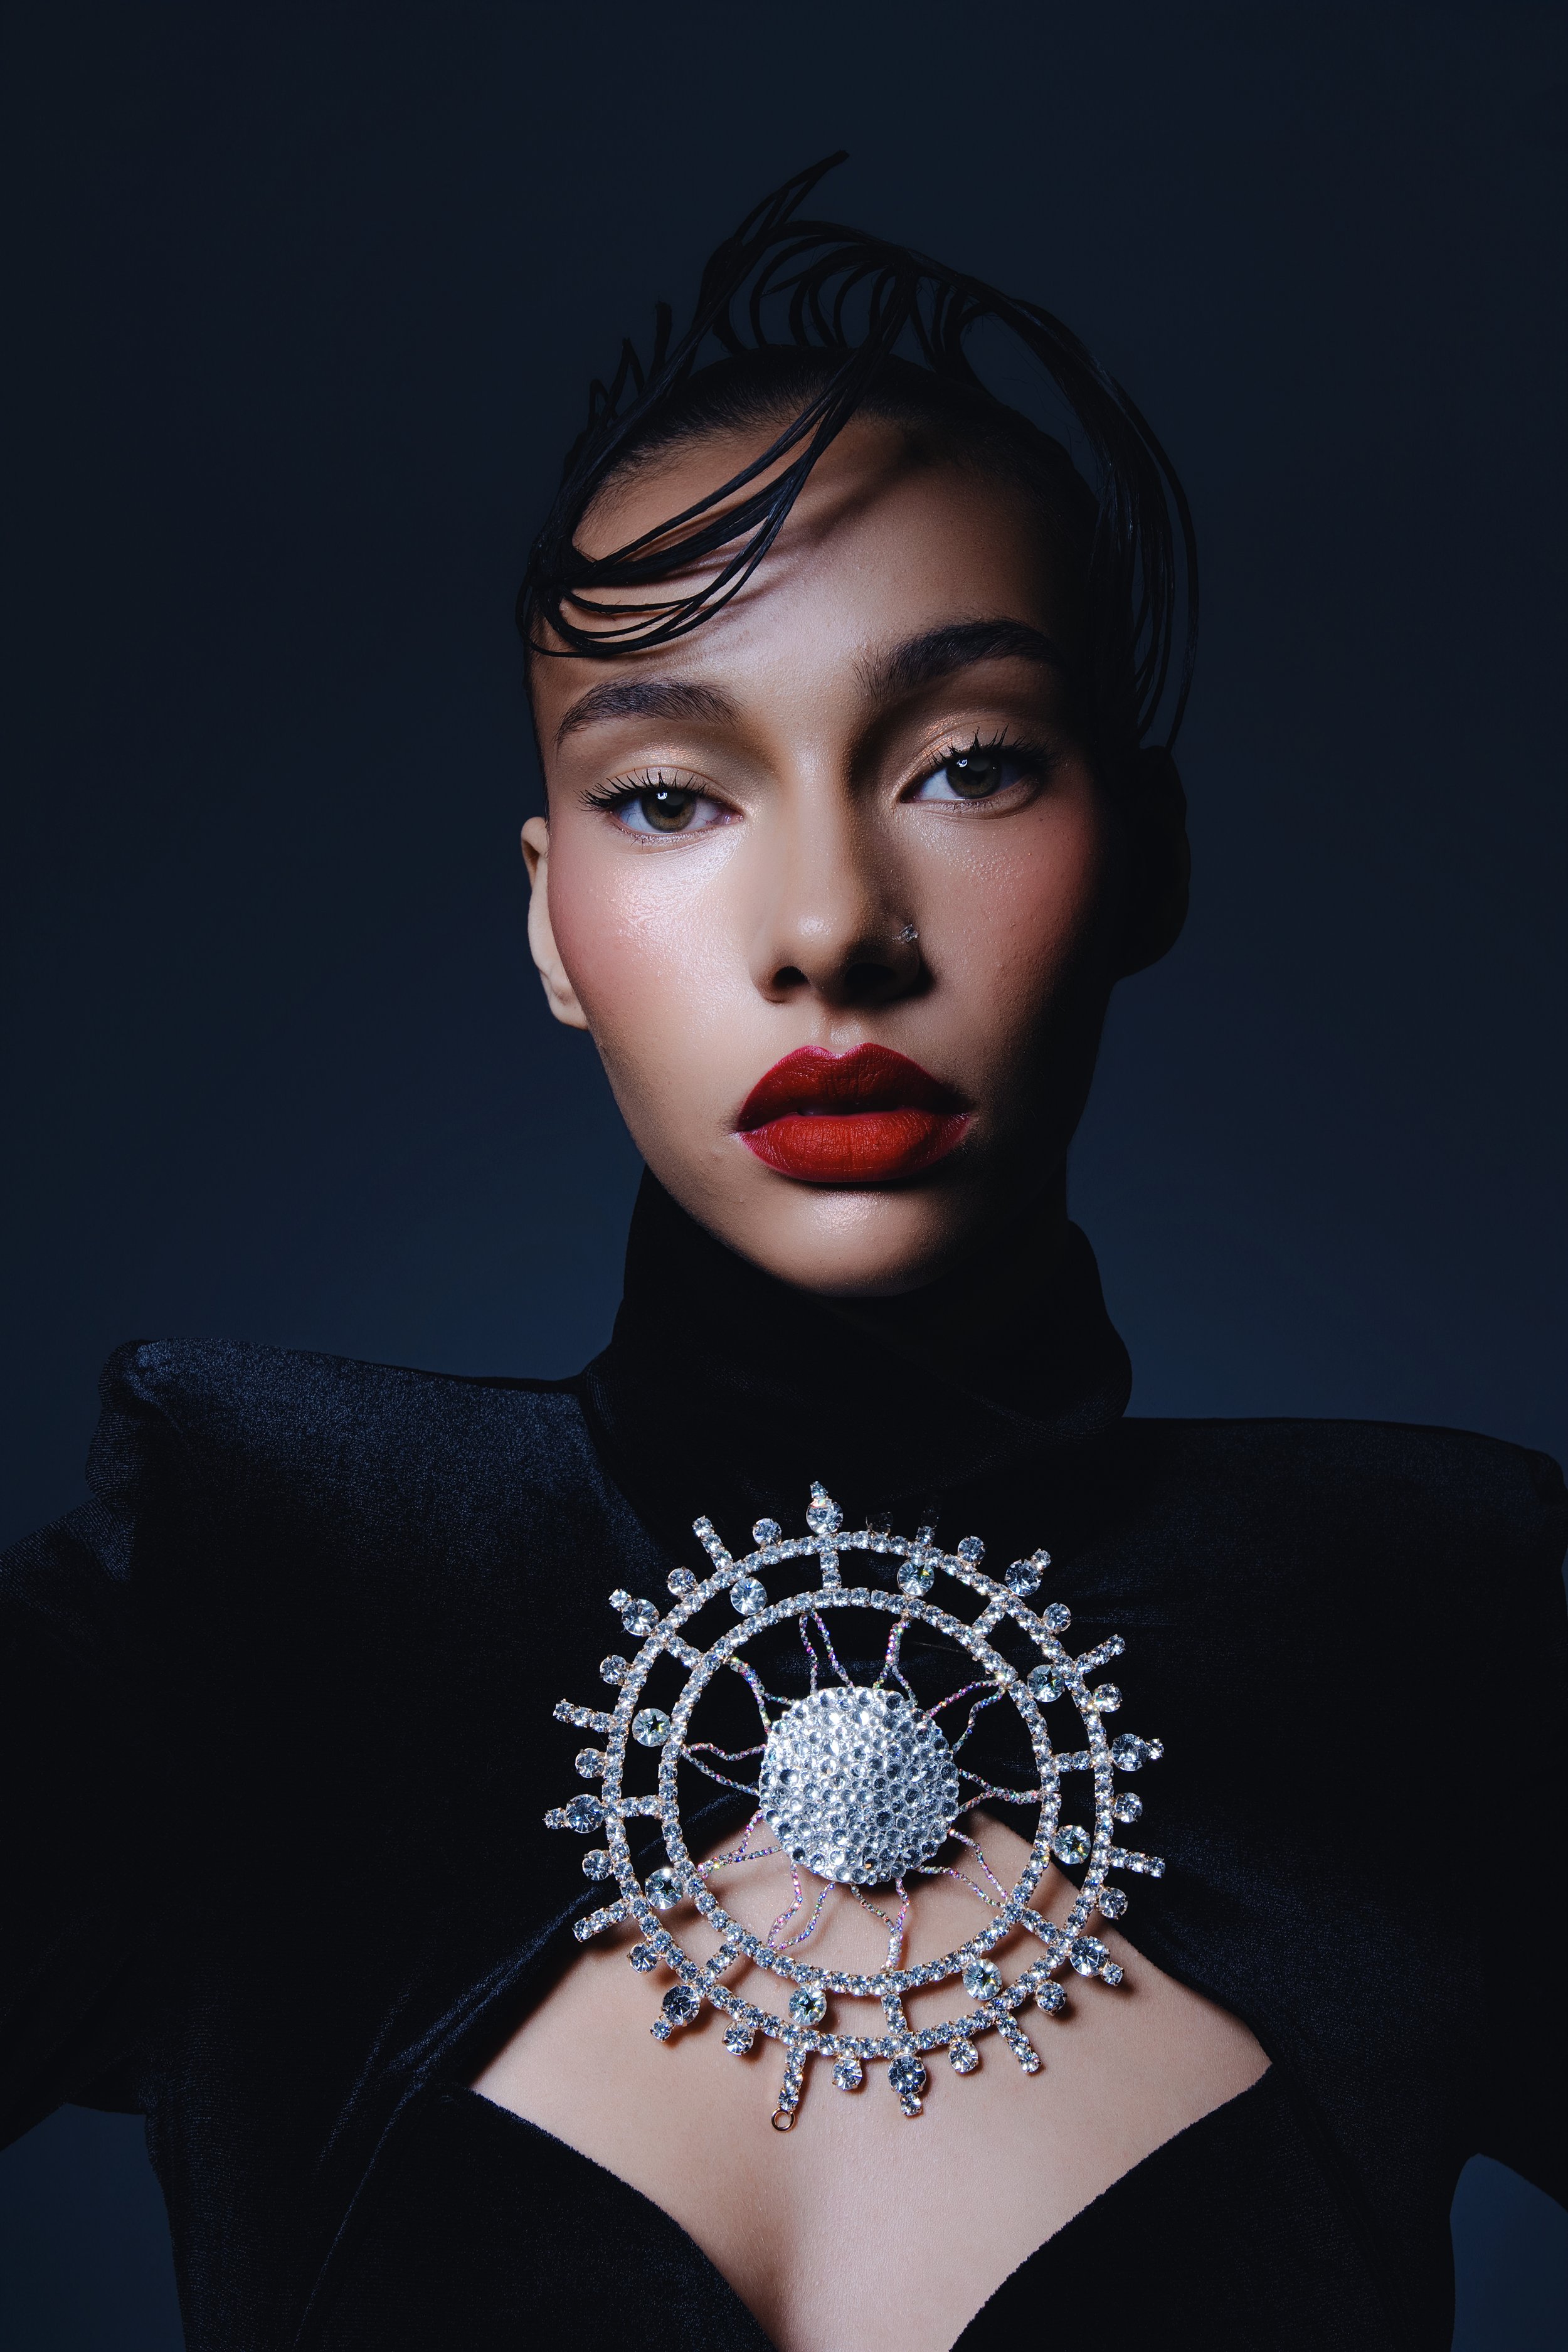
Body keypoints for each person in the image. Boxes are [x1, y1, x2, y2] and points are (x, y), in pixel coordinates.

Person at [3, 158, 1562, 2352]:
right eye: (669, 793)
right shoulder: (255, 1585)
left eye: (967, 761)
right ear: (552, 921)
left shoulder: (1433, 1622)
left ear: (1146, 855)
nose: (831, 924)